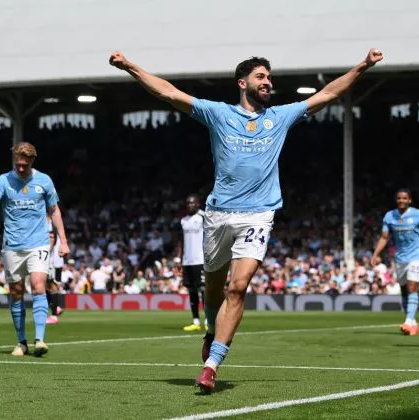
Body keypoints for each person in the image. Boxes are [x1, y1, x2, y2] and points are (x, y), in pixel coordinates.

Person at [109, 47, 384, 392]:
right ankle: (211, 330)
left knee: (237, 288)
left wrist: (363, 65)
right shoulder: (218, 114)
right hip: (219, 214)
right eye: (261, 76)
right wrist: (130, 66)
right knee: (213, 288)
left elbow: (328, 93)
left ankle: (211, 366)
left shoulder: (281, 116)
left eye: (269, 77)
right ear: (243, 83)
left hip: (259, 213)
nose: (268, 82)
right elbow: (168, 92)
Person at [0, 142, 69, 357]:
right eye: (17, 164)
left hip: (38, 243)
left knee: (39, 285)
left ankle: (39, 339)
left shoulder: (44, 180)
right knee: (17, 292)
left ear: (32, 161)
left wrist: (64, 241)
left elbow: (55, 211)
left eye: (24, 164)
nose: (20, 168)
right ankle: (21, 342)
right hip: (12, 245)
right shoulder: (3, 181)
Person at [371, 189, 419, 336]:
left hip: (417, 256)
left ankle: (408, 320)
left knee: (412, 287)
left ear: (409, 200)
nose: (401, 200)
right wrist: (376, 254)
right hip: (400, 258)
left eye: (404, 198)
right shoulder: (389, 216)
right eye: (399, 198)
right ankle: (413, 324)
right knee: (405, 291)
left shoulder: (418, 215)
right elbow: (384, 237)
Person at [178, 194, 207, 332]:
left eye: (192, 203)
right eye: (188, 203)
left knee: (204, 290)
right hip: (187, 261)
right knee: (192, 291)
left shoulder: (203, 217)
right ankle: (195, 321)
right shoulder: (183, 220)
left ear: (198, 204)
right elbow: (181, 241)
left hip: (200, 260)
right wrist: (180, 259)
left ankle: (208, 321)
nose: (189, 205)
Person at [46, 215, 65, 325]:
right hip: (55, 259)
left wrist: (45, 253)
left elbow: (51, 239)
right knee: (47, 285)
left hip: (52, 259)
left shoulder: (51, 223)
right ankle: (56, 308)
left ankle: (54, 316)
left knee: (52, 286)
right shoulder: (54, 222)